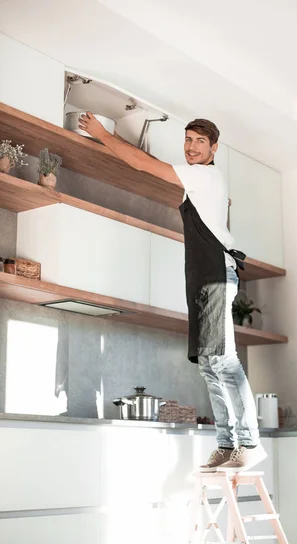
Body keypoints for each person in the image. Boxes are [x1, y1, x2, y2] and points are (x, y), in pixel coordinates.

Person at [79, 113, 266, 472]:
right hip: (201, 277)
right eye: (187, 139)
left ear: (213, 149)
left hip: (214, 273)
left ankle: (250, 443)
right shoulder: (199, 183)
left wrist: (103, 134)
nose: (191, 147)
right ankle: (228, 445)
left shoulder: (204, 174)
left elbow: (142, 164)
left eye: (199, 141)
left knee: (224, 362)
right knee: (210, 366)